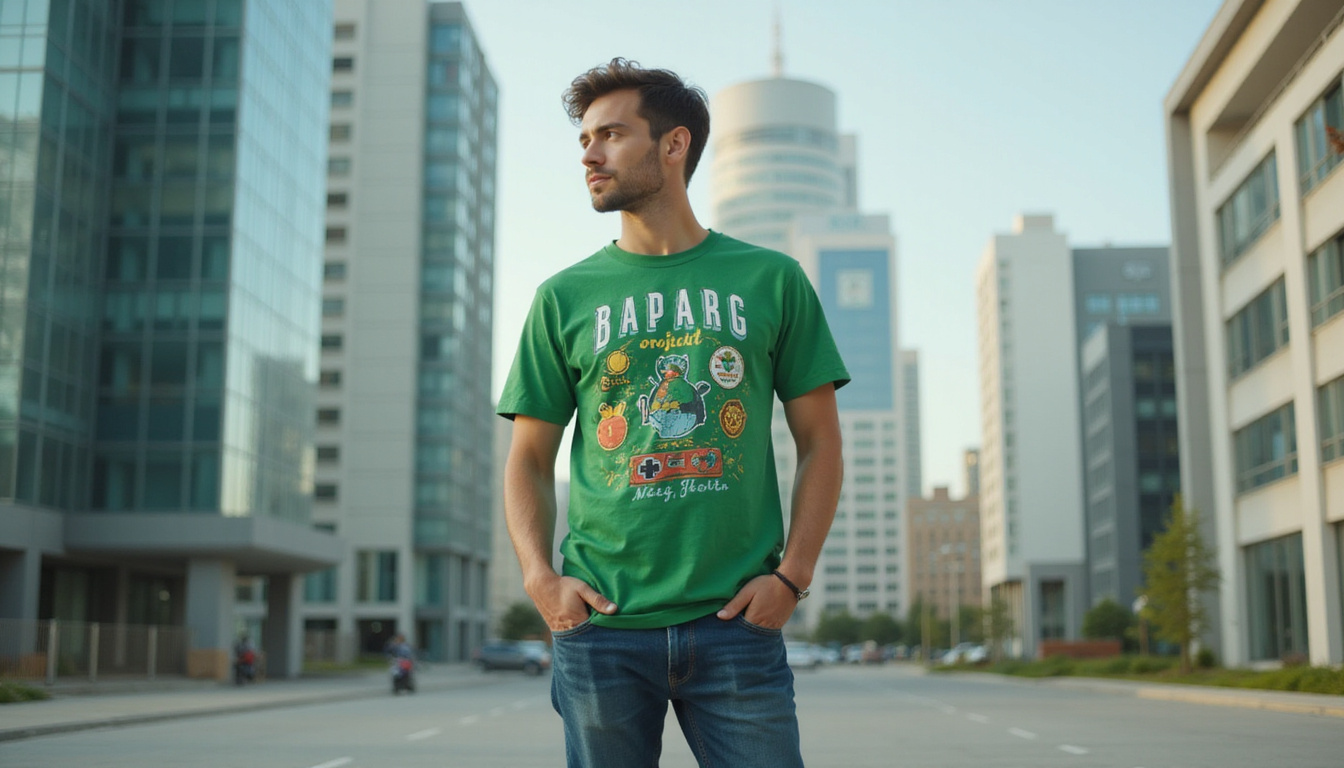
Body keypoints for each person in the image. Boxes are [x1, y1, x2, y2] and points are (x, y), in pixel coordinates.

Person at [497, 58, 848, 767]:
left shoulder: (771, 280)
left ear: (674, 145)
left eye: (612, 134)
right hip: (603, 626)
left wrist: (792, 579)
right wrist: (540, 578)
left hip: (736, 624)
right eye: (584, 140)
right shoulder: (563, 297)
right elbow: (530, 459)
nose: (590, 154)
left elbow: (822, 445)